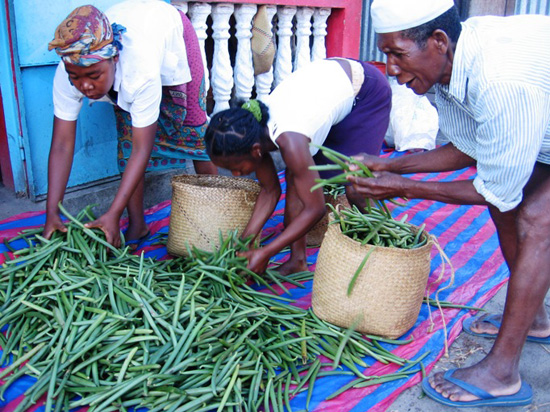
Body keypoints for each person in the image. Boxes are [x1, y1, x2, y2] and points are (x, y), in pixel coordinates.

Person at [348, 0, 550, 407]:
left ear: (438, 41)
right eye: (386, 53)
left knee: (536, 220)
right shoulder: (447, 69)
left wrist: (399, 187)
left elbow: (492, 185)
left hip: (532, 111)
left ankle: (502, 373)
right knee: (507, 206)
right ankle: (537, 319)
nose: (390, 68)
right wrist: (389, 164)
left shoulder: (497, 80)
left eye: (397, 54)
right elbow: (469, 148)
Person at [44, 2, 218, 248]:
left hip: (170, 31)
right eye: (76, 78)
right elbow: (62, 144)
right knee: (126, 140)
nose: (85, 86)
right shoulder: (68, 69)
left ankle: (215, 217)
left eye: (94, 76)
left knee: (194, 129)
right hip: (136, 41)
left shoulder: (139, 70)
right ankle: (137, 224)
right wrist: (52, 212)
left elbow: (142, 149)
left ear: (114, 58)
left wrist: (112, 213)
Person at [204, 58, 391, 275]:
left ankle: (387, 245)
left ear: (255, 150)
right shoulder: (254, 134)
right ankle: (298, 261)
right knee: (297, 178)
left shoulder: (290, 140)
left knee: (356, 183)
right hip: (327, 87)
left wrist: (266, 252)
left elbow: (315, 208)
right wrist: (245, 242)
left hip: (365, 91)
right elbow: (270, 190)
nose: (236, 174)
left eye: (235, 167)